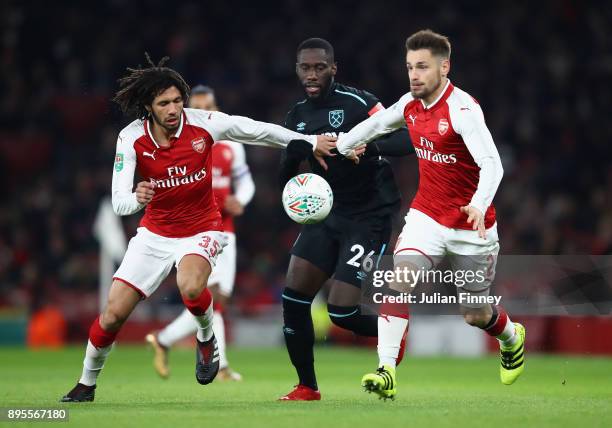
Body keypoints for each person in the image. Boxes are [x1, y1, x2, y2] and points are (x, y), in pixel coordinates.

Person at [60, 54, 335, 402]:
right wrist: (138, 196)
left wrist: (309, 142)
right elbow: (120, 203)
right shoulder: (130, 139)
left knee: (190, 287)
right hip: (154, 234)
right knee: (112, 315)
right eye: (164, 103)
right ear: (149, 106)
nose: (174, 109)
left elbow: (256, 129)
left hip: (201, 228)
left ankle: (206, 336)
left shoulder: (203, 123)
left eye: (177, 100)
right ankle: (86, 384)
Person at [336, 29, 525, 400]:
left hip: (472, 226)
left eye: (422, 67)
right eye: (409, 67)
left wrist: (479, 203)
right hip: (426, 218)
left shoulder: (463, 110)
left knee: (475, 314)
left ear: (445, 67)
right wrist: (343, 145)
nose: (414, 75)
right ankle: (386, 369)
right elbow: (376, 126)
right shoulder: (409, 104)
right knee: (398, 279)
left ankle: (511, 336)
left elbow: (493, 165)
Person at [278, 38, 413, 401]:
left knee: (341, 312)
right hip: (327, 213)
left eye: (319, 67)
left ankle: (395, 330)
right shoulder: (296, 117)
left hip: (370, 215)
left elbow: (407, 138)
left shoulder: (359, 103)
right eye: (305, 67)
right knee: (293, 298)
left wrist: (368, 145)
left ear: (333, 68)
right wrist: (296, 152)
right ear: (296, 70)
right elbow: (285, 179)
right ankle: (307, 387)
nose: (311, 74)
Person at [146, 85, 254, 381]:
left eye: (209, 107)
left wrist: (240, 200)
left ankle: (165, 339)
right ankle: (219, 365)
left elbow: (246, 183)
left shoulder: (231, 145)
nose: (205, 113)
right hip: (199, 230)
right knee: (214, 296)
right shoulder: (177, 145)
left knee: (220, 299)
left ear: (217, 110)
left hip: (226, 229)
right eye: (198, 107)